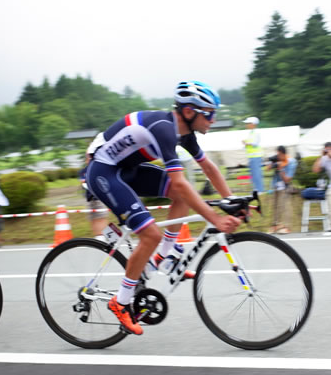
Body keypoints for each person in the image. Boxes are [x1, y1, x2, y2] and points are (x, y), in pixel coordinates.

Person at [85, 80, 241, 335]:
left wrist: (232, 202)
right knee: (151, 234)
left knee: (179, 196)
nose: (213, 120)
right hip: (104, 172)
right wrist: (215, 218)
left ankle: (164, 258)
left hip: (128, 169)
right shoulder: (165, 129)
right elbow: (179, 183)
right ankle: (121, 302)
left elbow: (209, 168)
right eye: (210, 114)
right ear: (189, 112)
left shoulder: (186, 134)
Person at [79, 133, 109, 241]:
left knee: (101, 216)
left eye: (89, 156)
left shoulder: (99, 168)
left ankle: (107, 238)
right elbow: (84, 182)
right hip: (90, 199)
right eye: (87, 156)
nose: (88, 158)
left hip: (99, 197)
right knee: (93, 217)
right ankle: (99, 237)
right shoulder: (84, 171)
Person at [265, 145, 296, 234]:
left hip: (285, 187)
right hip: (276, 186)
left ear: (282, 153)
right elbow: (267, 169)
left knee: (285, 207)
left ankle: (287, 227)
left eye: (278, 154)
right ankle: (275, 226)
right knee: (275, 207)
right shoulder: (277, 160)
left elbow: (287, 179)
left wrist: (281, 169)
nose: (277, 156)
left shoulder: (291, 162)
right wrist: (271, 164)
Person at [242, 116, 265, 194]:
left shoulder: (256, 133)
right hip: (251, 156)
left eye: (248, 123)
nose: (247, 125)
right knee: (253, 175)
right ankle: (256, 190)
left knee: (257, 174)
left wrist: (246, 143)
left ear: (253, 124)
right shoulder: (251, 133)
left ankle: (260, 190)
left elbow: (255, 143)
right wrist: (246, 144)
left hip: (256, 156)